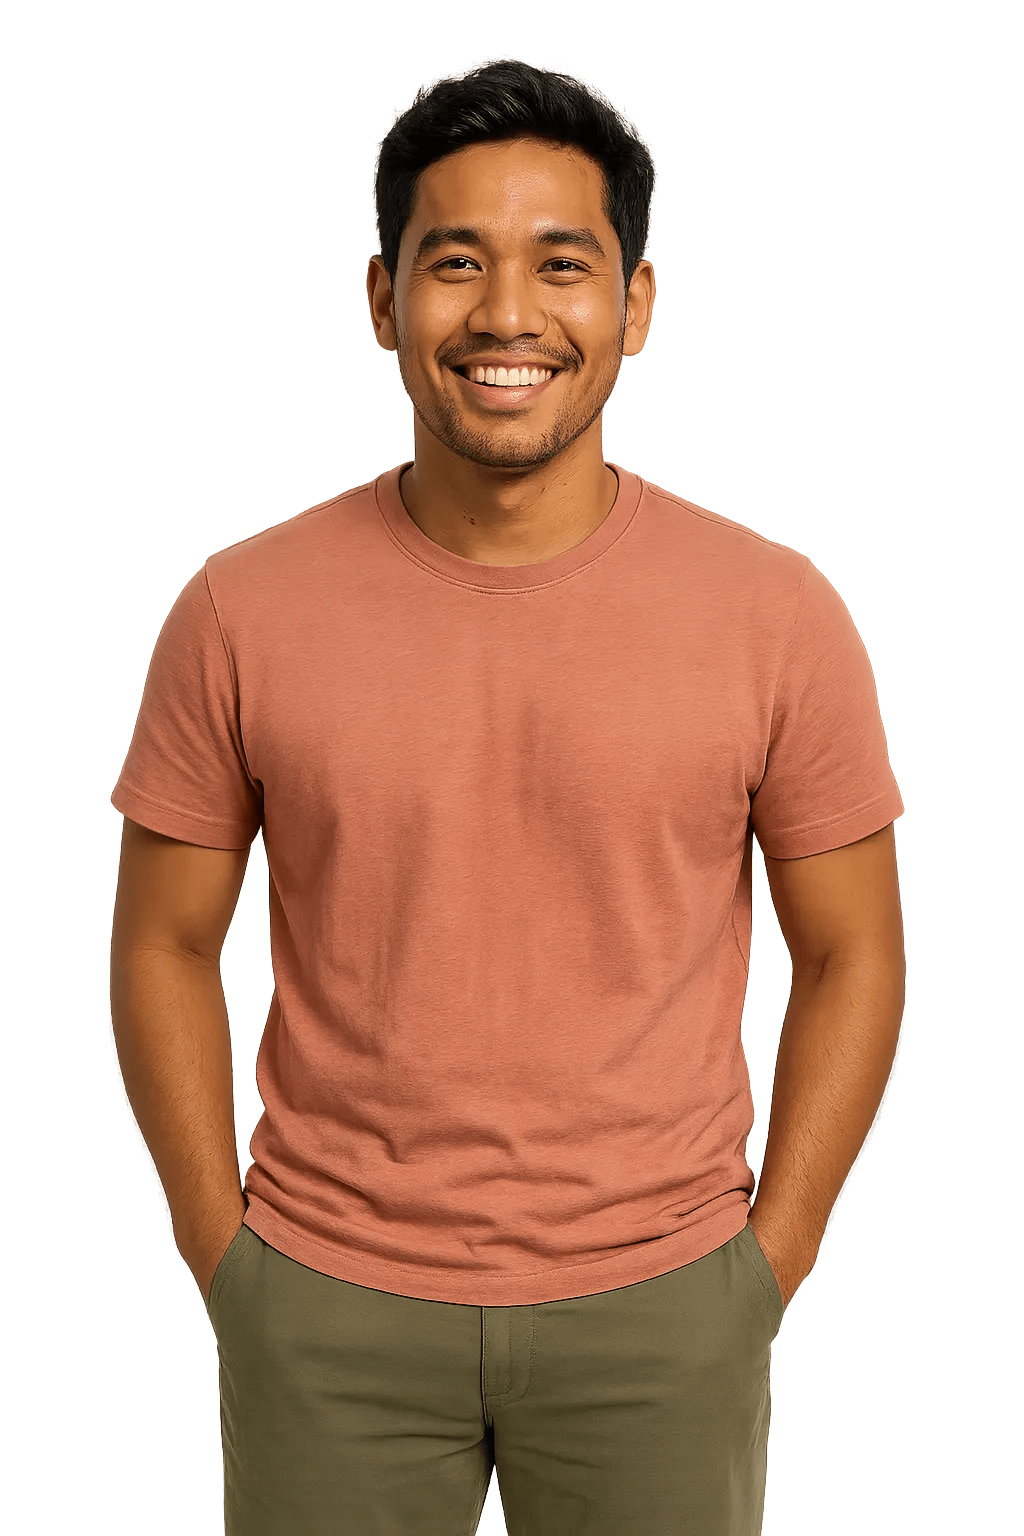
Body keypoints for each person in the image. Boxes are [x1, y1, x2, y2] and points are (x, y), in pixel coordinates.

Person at [108, 54, 906, 1536]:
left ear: (637, 304)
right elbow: (161, 943)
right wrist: (227, 1258)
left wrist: (765, 1265)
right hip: (324, 1301)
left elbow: (855, 952)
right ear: (382, 298)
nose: (507, 315)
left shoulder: (778, 613)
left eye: (563, 264)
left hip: (664, 1303)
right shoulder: (236, 609)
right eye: (455, 261)